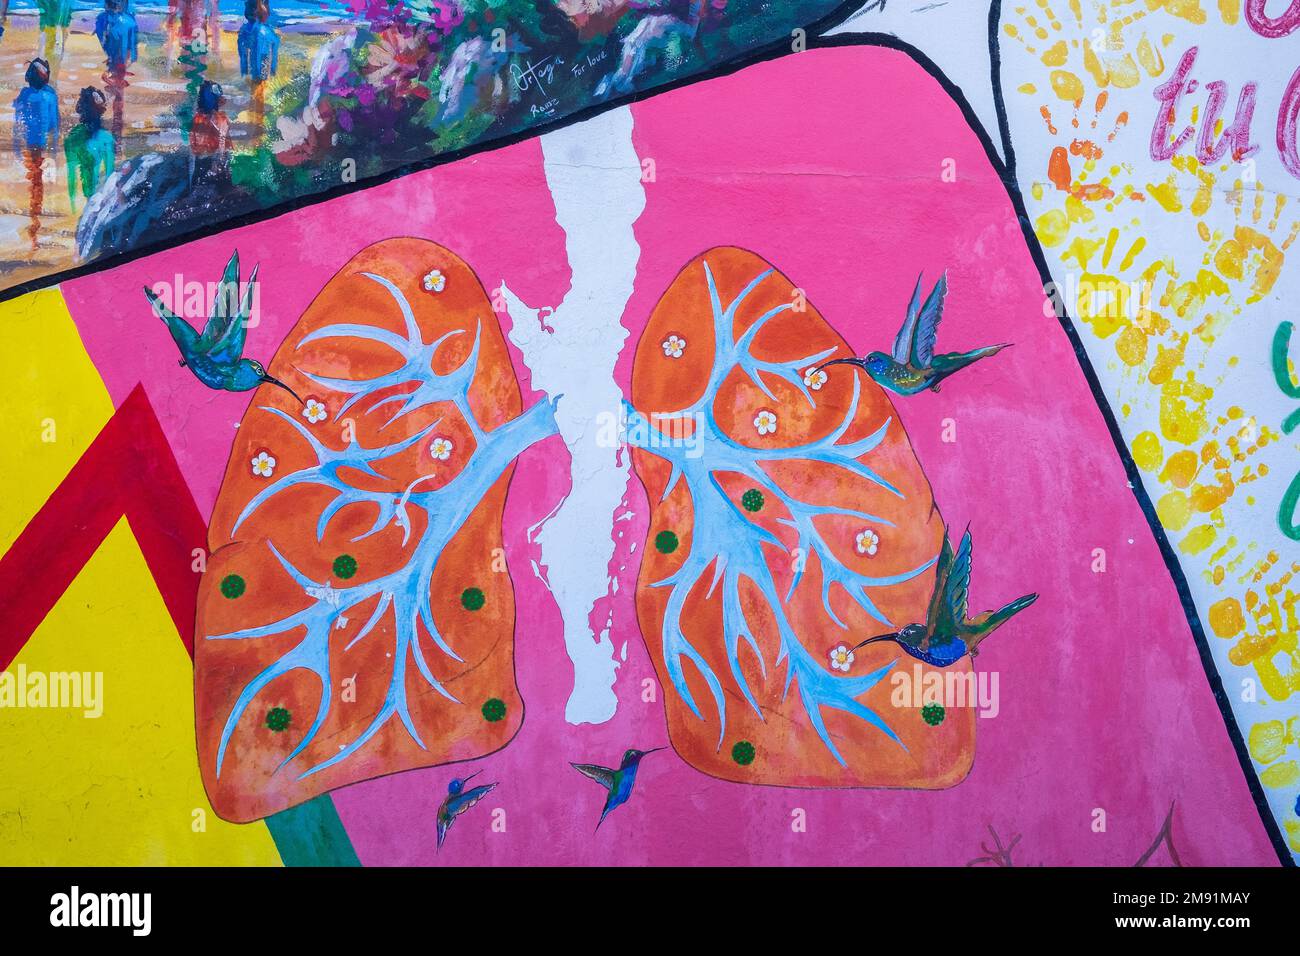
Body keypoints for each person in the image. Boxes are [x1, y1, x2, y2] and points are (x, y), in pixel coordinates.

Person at [12, 59, 59, 250]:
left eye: (45, 72)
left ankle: (35, 216)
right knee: (36, 180)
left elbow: (55, 121)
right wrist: (17, 143)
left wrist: (54, 147)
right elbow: (18, 120)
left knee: (39, 179)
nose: (44, 76)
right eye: (41, 73)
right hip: (30, 144)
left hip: (44, 143)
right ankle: (34, 217)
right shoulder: (26, 94)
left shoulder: (50, 94)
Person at [95, 0, 138, 151]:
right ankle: (117, 134)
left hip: (114, 59)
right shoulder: (130, 20)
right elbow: (133, 49)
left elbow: (102, 38)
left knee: (117, 96)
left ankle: (116, 134)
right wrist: (130, 59)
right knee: (119, 97)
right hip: (122, 60)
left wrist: (109, 51)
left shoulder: (102, 18)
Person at [65, 87, 115, 213]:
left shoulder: (72, 137)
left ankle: (81, 208)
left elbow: (71, 176)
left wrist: (72, 207)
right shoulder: (106, 138)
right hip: (100, 198)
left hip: (90, 195)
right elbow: (110, 174)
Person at [237, 0, 278, 129]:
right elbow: (275, 47)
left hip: (255, 64)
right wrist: (272, 68)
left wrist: (244, 67)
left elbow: (242, 49)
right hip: (262, 63)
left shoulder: (246, 29)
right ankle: (257, 124)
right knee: (259, 92)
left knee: (255, 91)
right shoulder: (265, 30)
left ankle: (254, 121)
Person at [190, 80, 230, 173]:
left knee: (207, 144)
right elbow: (221, 100)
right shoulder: (211, 86)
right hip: (208, 115)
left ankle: (211, 164)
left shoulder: (207, 86)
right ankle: (215, 164)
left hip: (206, 115)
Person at [34, 0, 73, 75]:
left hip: (53, 23)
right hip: (55, 23)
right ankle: (50, 72)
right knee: (53, 52)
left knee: (51, 51)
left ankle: (50, 72)